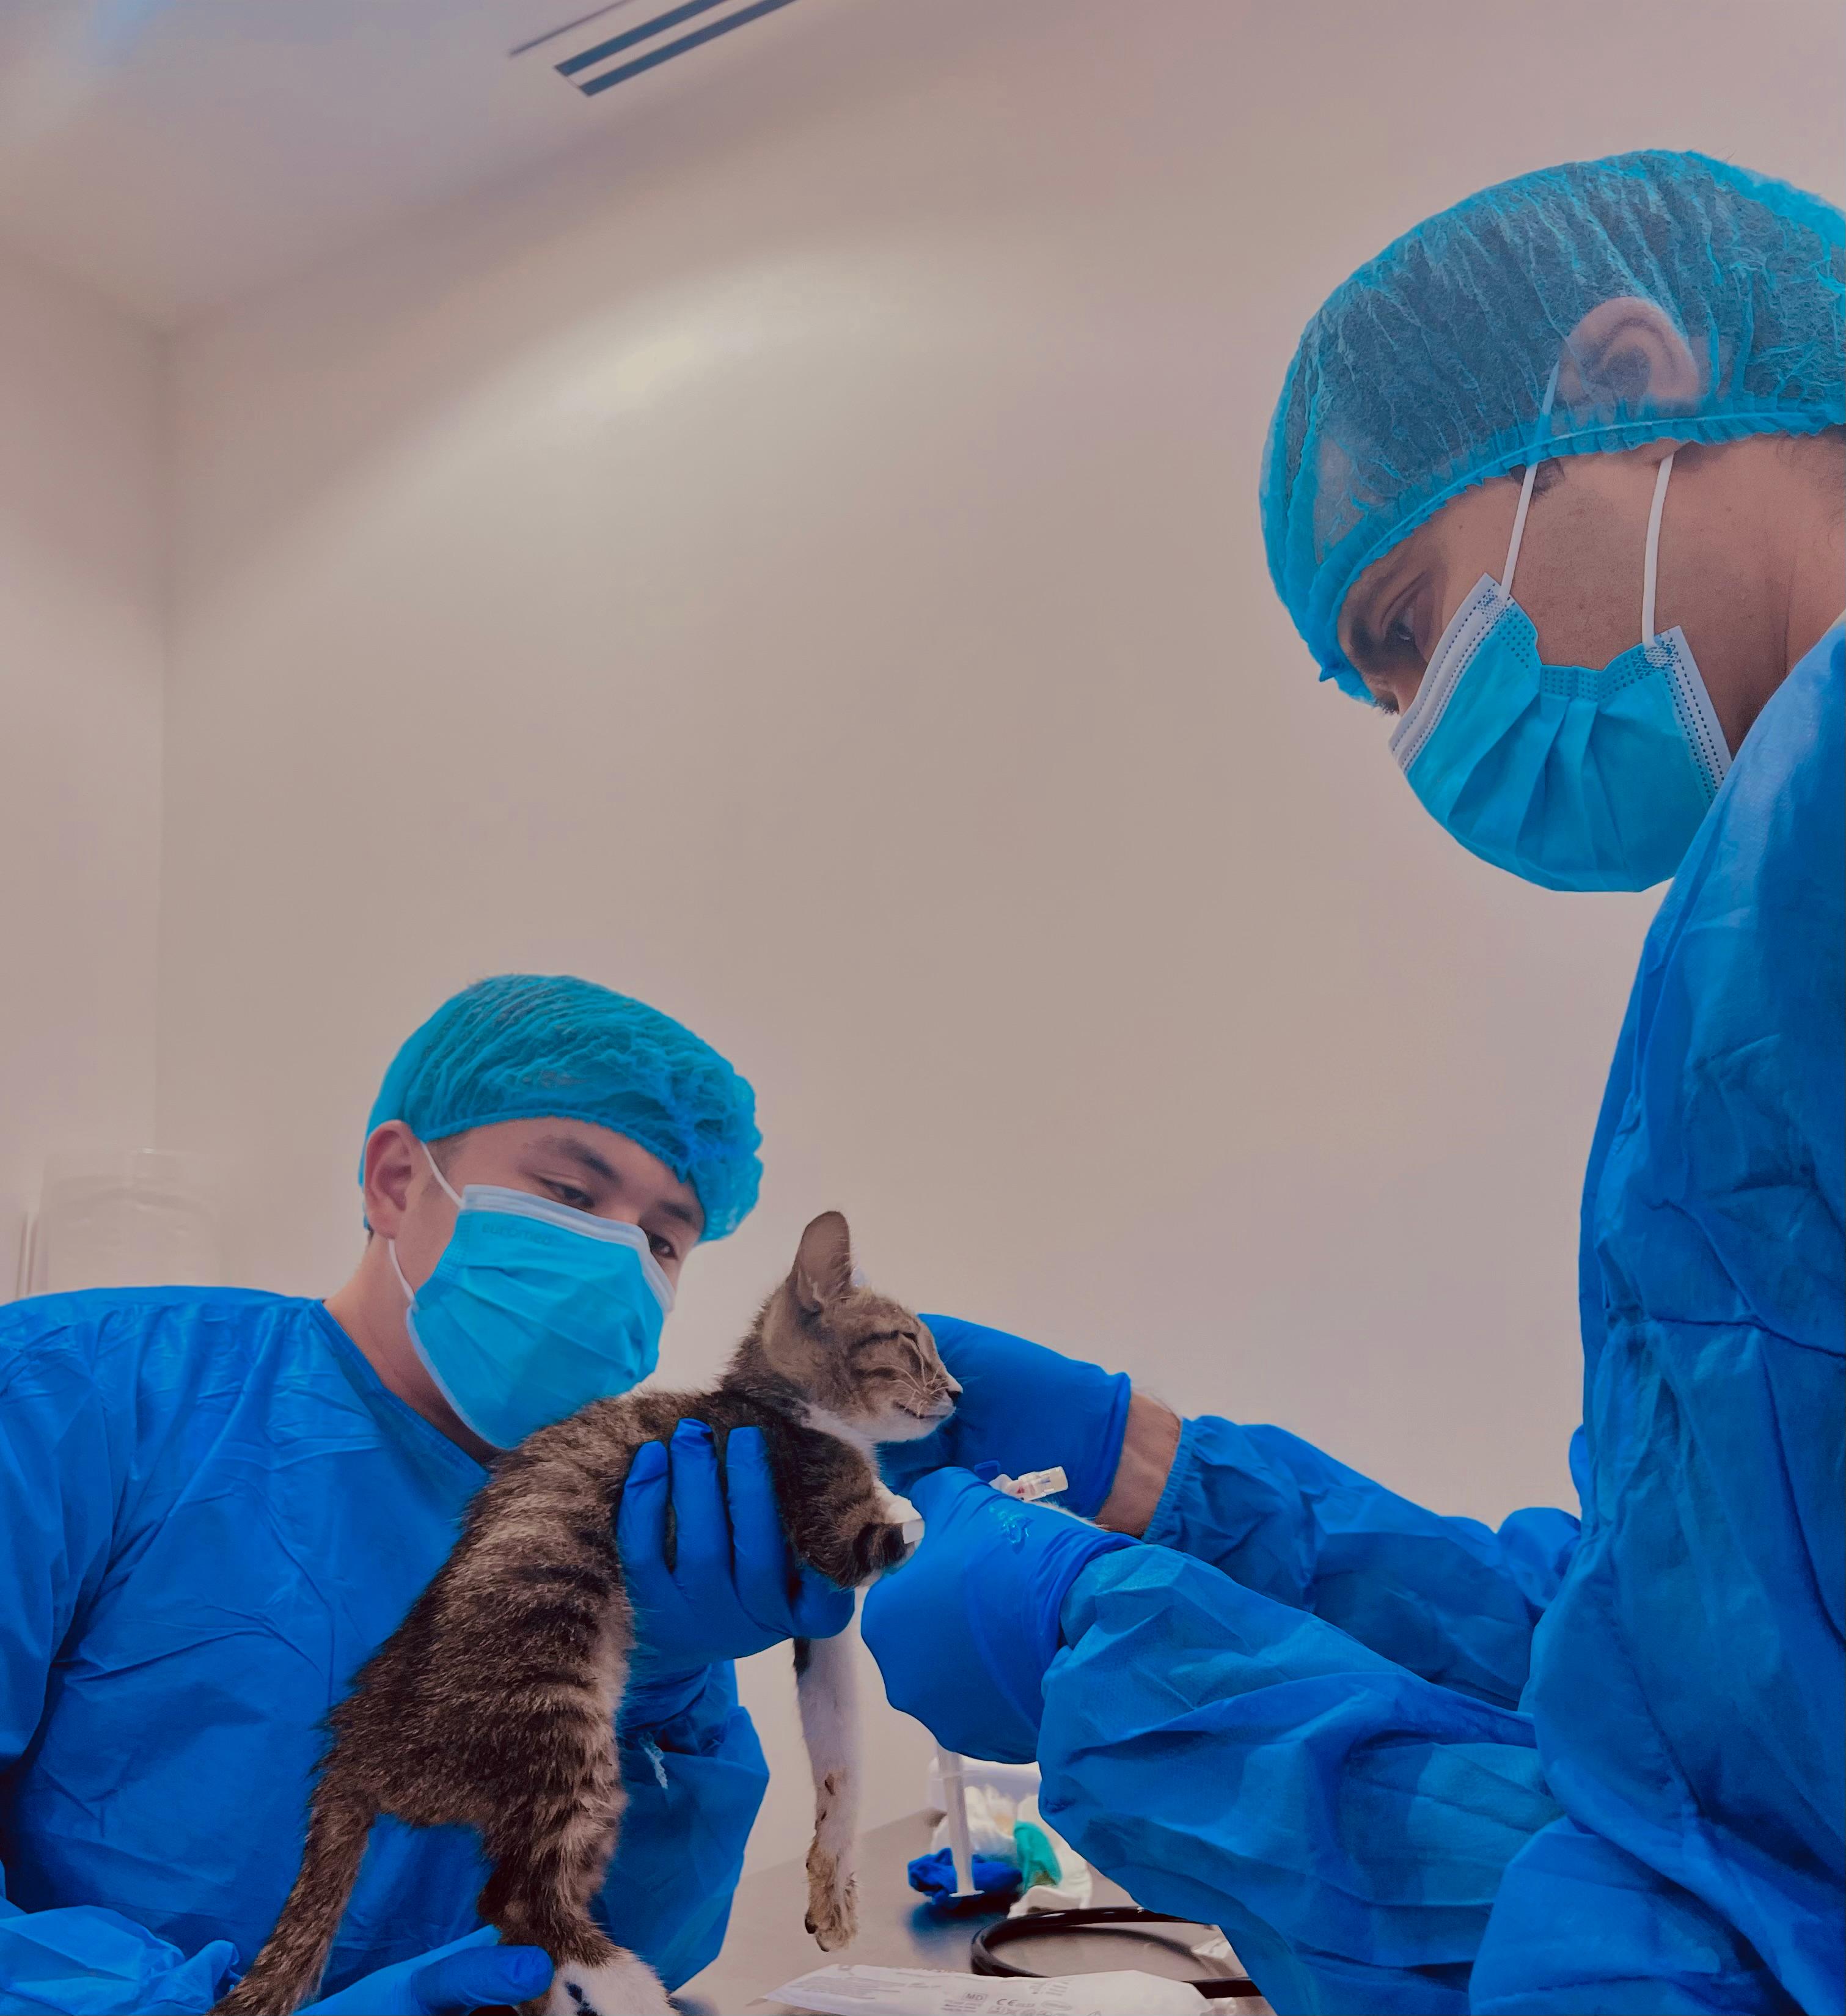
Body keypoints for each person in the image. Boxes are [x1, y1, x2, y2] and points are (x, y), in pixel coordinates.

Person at [863, 152, 1844, 2015]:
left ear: (1627, 383)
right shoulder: (1768, 887)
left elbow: (1738, 1916)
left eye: (1403, 624)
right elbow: (1686, 1681)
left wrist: (1107, 1662)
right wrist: (1163, 1479)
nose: (1417, 737)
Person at [0, 973, 852, 2014]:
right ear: (397, 1181)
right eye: (570, 1197)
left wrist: (661, 1679)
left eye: (662, 1240)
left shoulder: (627, 1519)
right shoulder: (76, 1396)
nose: (616, 1261)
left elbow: (637, 1950)